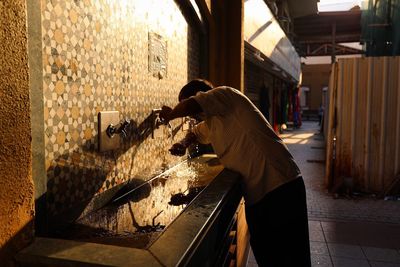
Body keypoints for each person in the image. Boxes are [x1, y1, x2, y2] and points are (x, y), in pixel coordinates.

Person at [160, 79, 311, 267]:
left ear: (202, 96)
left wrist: (171, 114)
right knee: (269, 257)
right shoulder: (212, 119)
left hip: (281, 187)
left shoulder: (226, 95)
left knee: (290, 258)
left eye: (192, 110)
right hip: (259, 195)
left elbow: (190, 104)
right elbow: (196, 133)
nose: (194, 116)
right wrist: (183, 144)